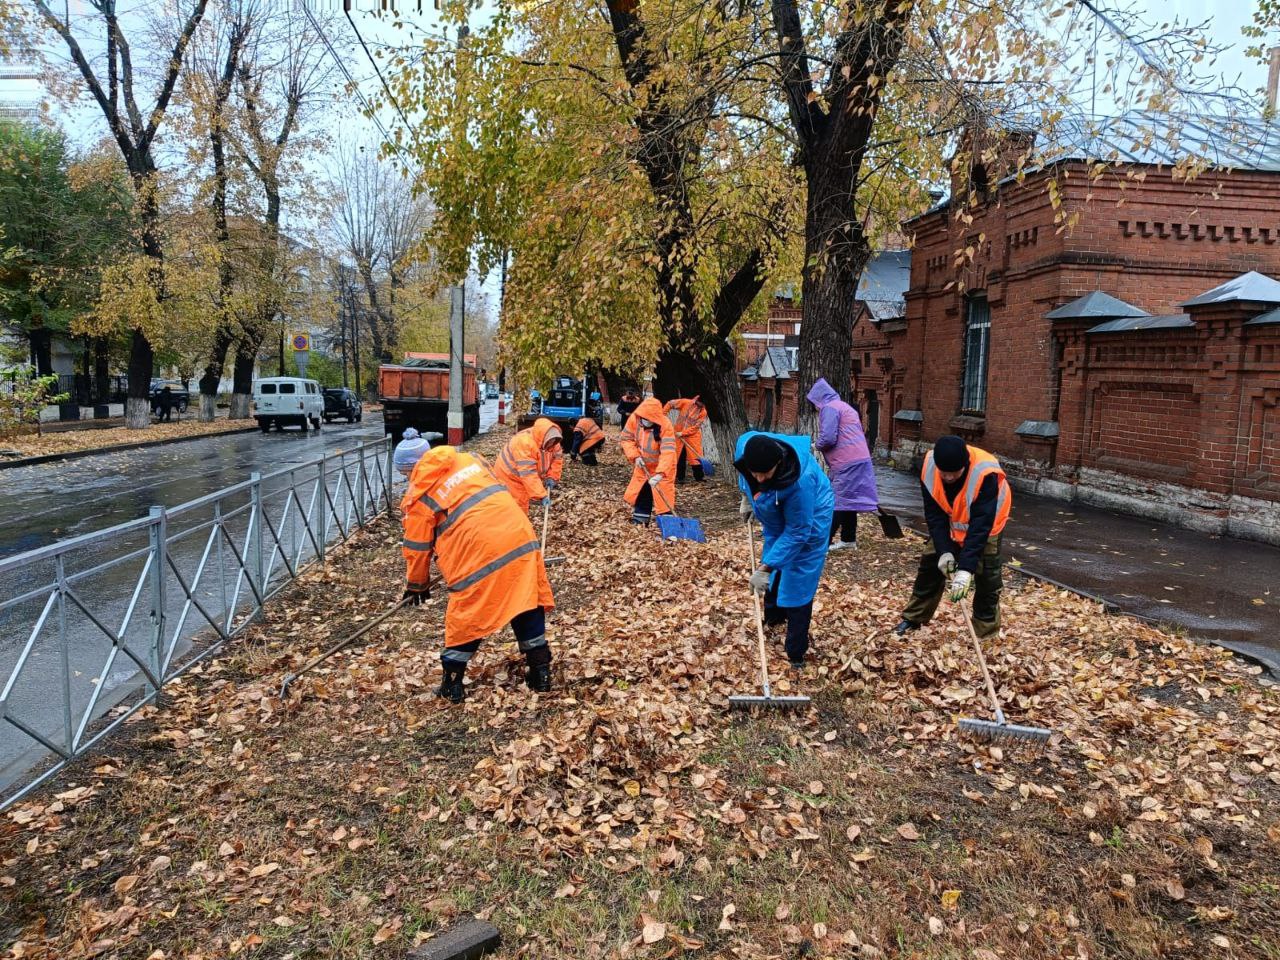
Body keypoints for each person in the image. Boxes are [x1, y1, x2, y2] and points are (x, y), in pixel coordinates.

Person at [399, 444, 555, 702]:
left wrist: (417, 584)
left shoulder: (420, 495)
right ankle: (541, 674)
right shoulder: (469, 459)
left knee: (468, 613)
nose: (407, 480)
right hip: (519, 536)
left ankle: (452, 682)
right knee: (525, 600)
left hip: (478, 553)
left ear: (412, 469)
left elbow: (417, 547)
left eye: (405, 474)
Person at [895, 435, 1012, 640]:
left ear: (965, 466)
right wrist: (945, 551)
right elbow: (934, 514)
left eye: (954, 473)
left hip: (988, 526)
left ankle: (985, 631)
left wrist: (965, 570)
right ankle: (913, 618)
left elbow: (979, 527)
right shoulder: (930, 467)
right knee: (931, 564)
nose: (948, 478)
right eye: (944, 473)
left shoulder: (985, 473)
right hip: (951, 522)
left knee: (988, 578)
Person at [734, 432, 834, 669]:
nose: (758, 478)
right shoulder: (746, 450)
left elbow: (799, 531)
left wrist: (764, 568)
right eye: (754, 473)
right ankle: (773, 617)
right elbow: (747, 477)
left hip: (812, 518)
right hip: (777, 512)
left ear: (778, 464)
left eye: (764, 473)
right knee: (773, 554)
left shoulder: (801, 482)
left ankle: (796, 653)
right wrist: (747, 497)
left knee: (798, 577)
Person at [806, 378, 879, 550]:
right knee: (849, 500)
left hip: (846, 462)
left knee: (836, 501)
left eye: (815, 403)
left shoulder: (829, 408)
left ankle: (823, 542)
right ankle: (848, 539)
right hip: (859, 458)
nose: (816, 408)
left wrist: (815, 445)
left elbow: (829, 438)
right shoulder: (844, 406)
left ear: (819, 399)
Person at [619, 396, 678, 524]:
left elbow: (668, 451)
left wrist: (660, 473)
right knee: (642, 491)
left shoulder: (665, 425)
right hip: (643, 465)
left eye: (650, 420)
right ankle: (640, 520)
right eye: (645, 418)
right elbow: (626, 439)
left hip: (663, 467)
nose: (646, 421)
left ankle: (667, 524)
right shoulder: (635, 419)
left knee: (664, 494)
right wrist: (634, 456)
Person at [493, 417, 564, 513]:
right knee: (518, 506)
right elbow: (528, 474)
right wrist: (541, 495)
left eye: (553, 441)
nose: (551, 443)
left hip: (523, 474)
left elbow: (557, 459)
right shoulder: (525, 443)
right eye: (549, 441)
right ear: (543, 438)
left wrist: (552, 477)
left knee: (521, 503)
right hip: (509, 476)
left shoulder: (554, 442)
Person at [664, 396, 708, 484]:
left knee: (695, 457)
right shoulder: (686, 402)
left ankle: (699, 477)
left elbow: (696, 427)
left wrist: (683, 433)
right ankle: (680, 477)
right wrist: (663, 415)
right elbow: (670, 403)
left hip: (692, 436)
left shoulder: (703, 412)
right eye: (699, 403)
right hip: (678, 435)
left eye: (702, 405)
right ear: (696, 400)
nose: (700, 405)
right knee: (679, 455)